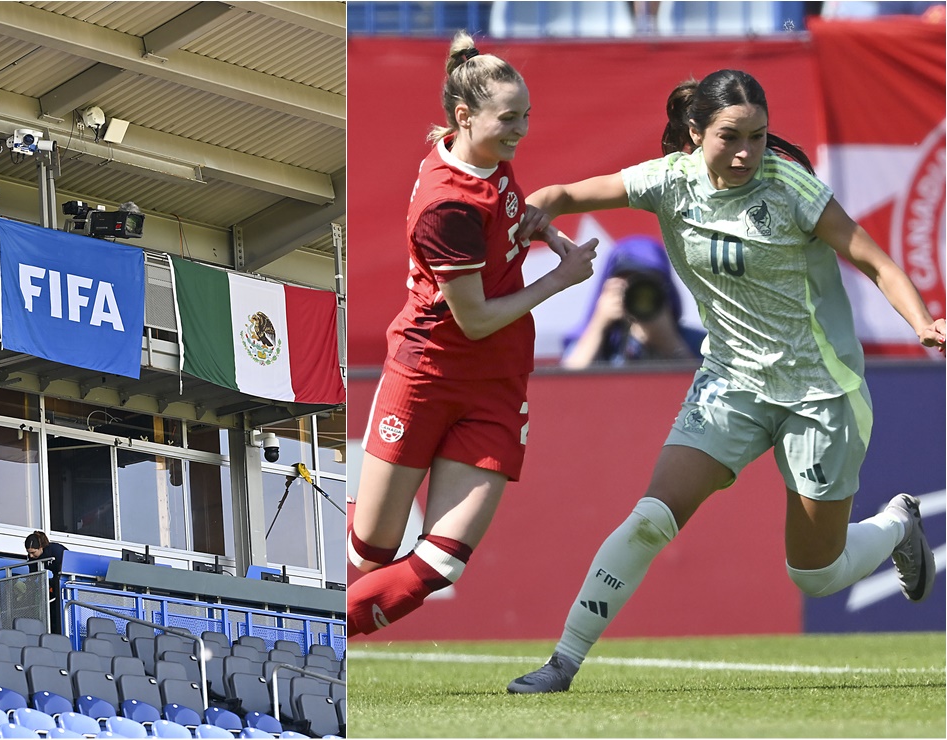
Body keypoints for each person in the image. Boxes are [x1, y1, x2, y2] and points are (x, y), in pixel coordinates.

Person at [507, 68, 944, 693]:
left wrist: (924, 322)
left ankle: (899, 524)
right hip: (730, 383)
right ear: (694, 133)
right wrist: (537, 209)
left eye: (759, 137)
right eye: (729, 137)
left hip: (821, 391)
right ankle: (562, 663)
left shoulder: (790, 187)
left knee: (813, 575)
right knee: (650, 518)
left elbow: (873, 259)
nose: (745, 153)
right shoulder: (668, 182)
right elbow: (564, 195)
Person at [346, 31, 598, 637]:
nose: (521, 131)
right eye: (510, 118)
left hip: (495, 384)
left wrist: (529, 222)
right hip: (426, 372)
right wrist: (561, 278)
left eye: (526, 117)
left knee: (442, 562)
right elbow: (475, 317)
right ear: (464, 116)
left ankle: (325, 640)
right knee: (369, 552)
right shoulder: (446, 204)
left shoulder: (487, 160)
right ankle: (320, 636)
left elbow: (501, 223)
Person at [560, 234, 705, 368]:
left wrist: (670, 342)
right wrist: (599, 325)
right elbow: (568, 384)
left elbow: (705, 387)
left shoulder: (700, 343)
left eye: (646, 283)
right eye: (627, 280)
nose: (637, 292)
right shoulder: (602, 340)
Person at [25, 530, 68, 634]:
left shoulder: (57, 550)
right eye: (28, 552)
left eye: (33, 552)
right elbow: (32, 576)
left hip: (64, 582)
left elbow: (66, 569)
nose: (30, 556)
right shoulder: (32, 559)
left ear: (41, 548)